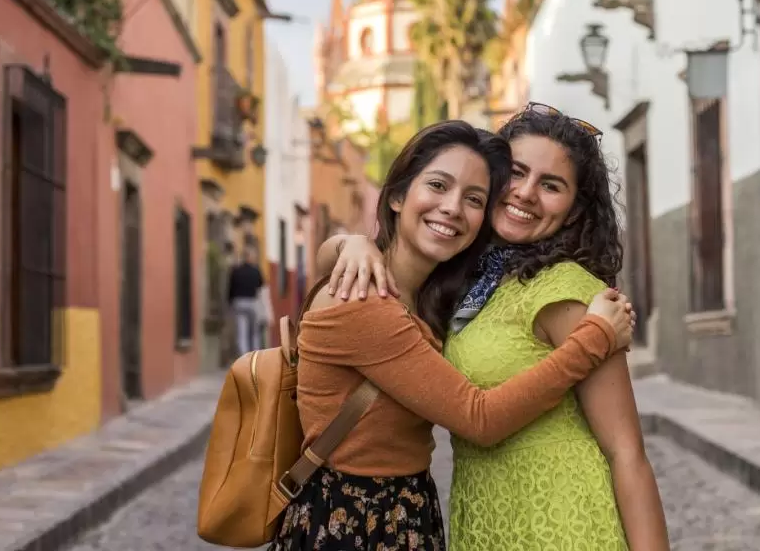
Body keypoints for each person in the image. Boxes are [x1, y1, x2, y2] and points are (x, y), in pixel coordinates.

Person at [319, 103, 669, 550]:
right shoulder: (470, 278)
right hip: (486, 516)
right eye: (516, 173)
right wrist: (349, 243)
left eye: (551, 185)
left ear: (575, 209)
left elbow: (628, 453)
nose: (525, 193)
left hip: (562, 524)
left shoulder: (565, 292)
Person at [227, 244, 264, 357]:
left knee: (241, 332)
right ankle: (254, 357)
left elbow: (231, 288)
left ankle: (243, 357)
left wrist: (230, 301)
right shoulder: (256, 271)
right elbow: (260, 285)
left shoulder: (236, 270)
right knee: (254, 333)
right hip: (252, 303)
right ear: (251, 257)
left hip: (239, 303)